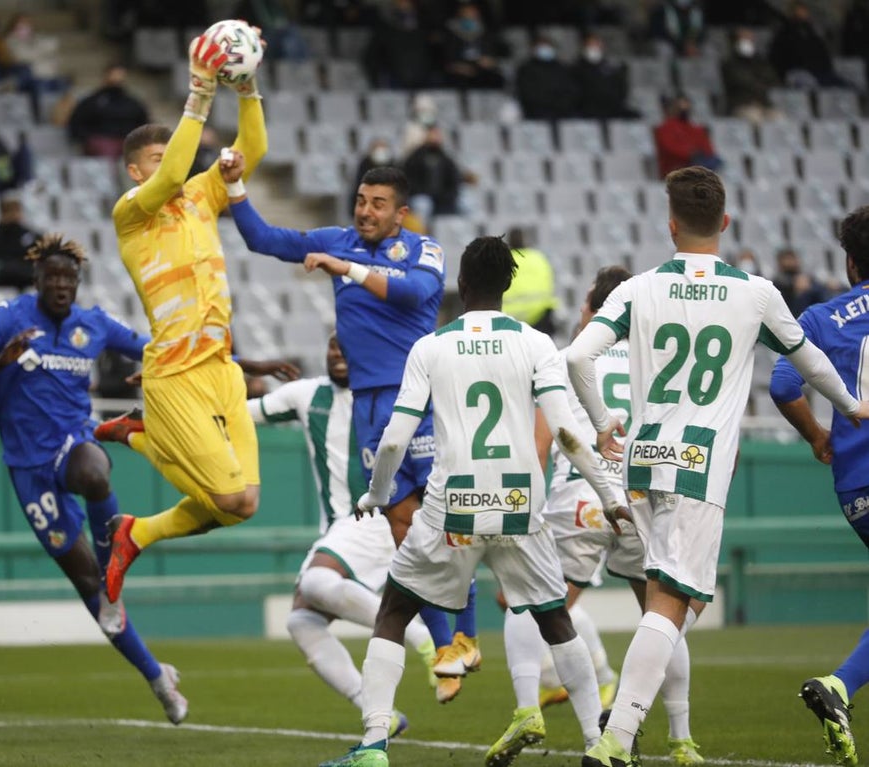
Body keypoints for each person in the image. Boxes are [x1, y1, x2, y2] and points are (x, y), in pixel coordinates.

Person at [567, 167, 869, 767]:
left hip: (645, 459)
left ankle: (634, 734)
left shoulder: (638, 288)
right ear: (725, 222)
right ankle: (616, 741)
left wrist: (604, 423)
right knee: (672, 604)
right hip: (699, 464)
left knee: (669, 596)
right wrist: (850, 406)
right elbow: (808, 366)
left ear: (671, 223)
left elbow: (577, 356)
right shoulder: (755, 292)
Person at [318, 236, 625, 767]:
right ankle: (596, 745)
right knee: (555, 620)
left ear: (461, 286)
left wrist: (376, 492)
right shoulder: (536, 345)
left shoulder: (430, 346)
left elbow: (393, 439)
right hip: (520, 504)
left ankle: (372, 745)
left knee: (393, 612)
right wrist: (611, 497)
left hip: (451, 506)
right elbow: (570, 435)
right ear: (507, 287)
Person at [229, 162, 481, 697]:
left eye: (378, 203)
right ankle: (444, 650)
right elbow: (264, 238)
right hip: (371, 408)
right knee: (403, 532)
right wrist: (233, 184)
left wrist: (344, 269)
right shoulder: (337, 239)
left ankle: (467, 635)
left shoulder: (423, 249)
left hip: (417, 399)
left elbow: (415, 294)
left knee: (441, 524)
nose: (366, 210)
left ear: (400, 213)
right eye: (362, 200)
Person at [0, 234, 188, 724]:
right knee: (90, 591)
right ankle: (157, 678)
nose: (60, 285)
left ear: (77, 284)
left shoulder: (93, 325)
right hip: (27, 469)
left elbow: (152, 350)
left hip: (72, 441)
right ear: (36, 280)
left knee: (95, 471)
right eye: (51, 277)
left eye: (68, 279)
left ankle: (112, 572)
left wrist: (222, 363)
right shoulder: (8, 318)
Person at [92, 33, 294, 609]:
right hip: (175, 375)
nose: (170, 166)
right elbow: (172, 170)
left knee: (244, 505)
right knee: (227, 497)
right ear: (135, 172)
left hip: (220, 367)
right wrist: (200, 97)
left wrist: (247, 89)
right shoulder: (131, 214)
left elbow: (251, 148)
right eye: (156, 160)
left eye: (170, 156)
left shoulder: (201, 198)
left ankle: (138, 532)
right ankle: (142, 435)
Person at [529, 265, 705, 766]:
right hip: (644, 493)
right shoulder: (659, 358)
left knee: (539, 605)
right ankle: (681, 738)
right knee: (661, 615)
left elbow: (545, 440)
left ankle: (566, 717)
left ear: (598, 309)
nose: (582, 313)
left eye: (586, 304)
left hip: (580, 493)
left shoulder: (569, 358)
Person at [249, 334, 440, 728]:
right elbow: (240, 414)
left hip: (375, 517)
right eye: (332, 346)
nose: (337, 352)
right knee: (302, 623)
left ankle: (422, 637)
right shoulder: (306, 394)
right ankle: (379, 714)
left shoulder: (387, 396)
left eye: (346, 346)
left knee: (317, 580)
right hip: (342, 527)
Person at [769, 206, 869, 767]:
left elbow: (784, 383)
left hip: (857, 486)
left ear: (850, 262)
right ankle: (839, 685)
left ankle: (840, 688)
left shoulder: (822, 318)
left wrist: (816, 436)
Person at [67, 64, 150, 159]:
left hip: (126, 140)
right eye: (114, 75)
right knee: (107, 149)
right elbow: (77, 123)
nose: (117, 79)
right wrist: (88, 139)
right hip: (101, 140)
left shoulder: (133, 103)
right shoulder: (92, 101)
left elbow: (143, 123)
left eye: (120, 75)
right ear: (106, 76)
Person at [401, 125, 471, 228]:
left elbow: (454, 179)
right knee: (423, 205)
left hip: (442, 198)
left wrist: (448, 196)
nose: (435, 137)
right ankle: (423, 238)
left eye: (437, 134)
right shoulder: (415, 157)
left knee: (467, 204)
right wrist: (422, 192)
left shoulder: (445, 157)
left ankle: (467, 239)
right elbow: (408, 179)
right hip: (421, 196)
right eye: (432, 134)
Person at [770, 1, 847, 88]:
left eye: (805, 10)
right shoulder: (785, 34)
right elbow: (779, 57)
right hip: (799, 72)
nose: (805, 13)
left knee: (846, 87)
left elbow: (822, 52)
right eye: (801, 10)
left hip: (820, 71)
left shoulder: (811, 32)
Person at [440, 0, 508, 90]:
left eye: (473, 14)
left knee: (495, 78)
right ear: (460, 15)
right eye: (467, 14)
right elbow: (447, 60)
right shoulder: (451, 35)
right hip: (459, 72)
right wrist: (460, 67)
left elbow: (495, 56)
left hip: (482, 71)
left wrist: (491, 62)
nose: (471, 17)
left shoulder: (486, 33)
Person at [502, 229, 558, 336]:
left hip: (510, 320)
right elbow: (549, 285)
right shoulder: (539, 258)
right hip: (539, 318)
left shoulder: (503, 260)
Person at [721, 28, 782, 124]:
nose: (748, 41)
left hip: (763, 103)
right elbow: (742, 81)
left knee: (779, 119)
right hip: (741, 104)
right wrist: (760, 82)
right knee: (755, 118)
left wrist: (759, 81)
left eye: (750, 39)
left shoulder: (759, 61)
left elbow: (772, 79)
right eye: (744, 38)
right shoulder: (729, 62)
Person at [653, 94, 721, 178]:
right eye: (680, 107)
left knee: (714, 162)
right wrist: (690, 154)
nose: (684, 110)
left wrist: (700, 154)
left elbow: (708, 148)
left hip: (698, 165)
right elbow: (670, 148)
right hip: (676, 167)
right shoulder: (665, 128)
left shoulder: (696, 129)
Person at [574, 33, 638, 120]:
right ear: (584, 47)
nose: (594, 48)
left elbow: (620, 89)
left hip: (612, 108)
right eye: (591, 45)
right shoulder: (577, 69)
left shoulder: (610, 68)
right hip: (588, 109)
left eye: (597, 44)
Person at [516, 36, 581, 121]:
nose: (545, 49)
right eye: (541, 46)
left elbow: (571, 90)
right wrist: (548, 103)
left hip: (564, 114)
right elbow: (527, 93)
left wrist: (563, 104)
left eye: (547, 46)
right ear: (534, 49)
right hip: (537, 115)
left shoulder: (562, 68)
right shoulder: (526, 69)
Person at [0, 198, 41, 291]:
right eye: (10, 211)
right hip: (6, 275)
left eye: (17, 211)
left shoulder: (29, 235)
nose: (14, 215)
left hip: (26, 273)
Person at [773, 246, 831, 317]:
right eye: (787, 259)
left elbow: (819, 288)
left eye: (793, 258)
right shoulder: (778, 281)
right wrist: (796, 288)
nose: (790, 262)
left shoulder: (805, 276)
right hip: (792, 314)